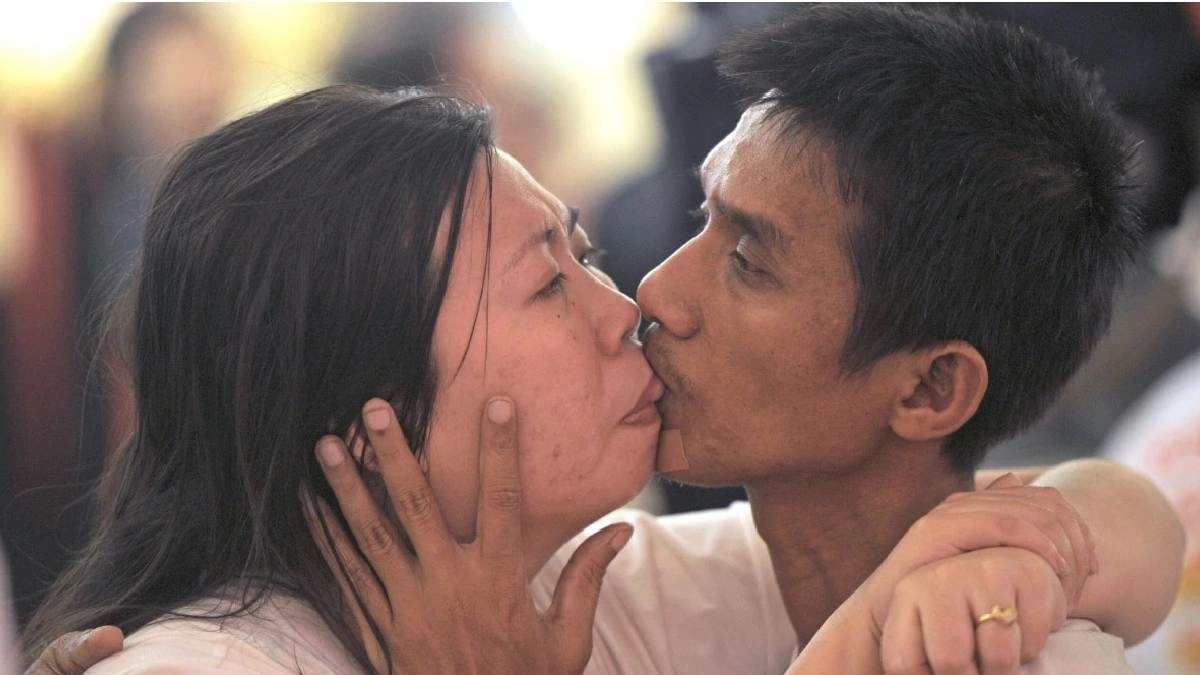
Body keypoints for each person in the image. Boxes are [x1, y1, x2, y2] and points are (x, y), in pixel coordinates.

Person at [18, 73, 1177, 675]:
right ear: (365, 408)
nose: (639, 305)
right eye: (547, 282)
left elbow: (1114, 527)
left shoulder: (589, 591)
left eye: (585, 255)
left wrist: (1066, 532)